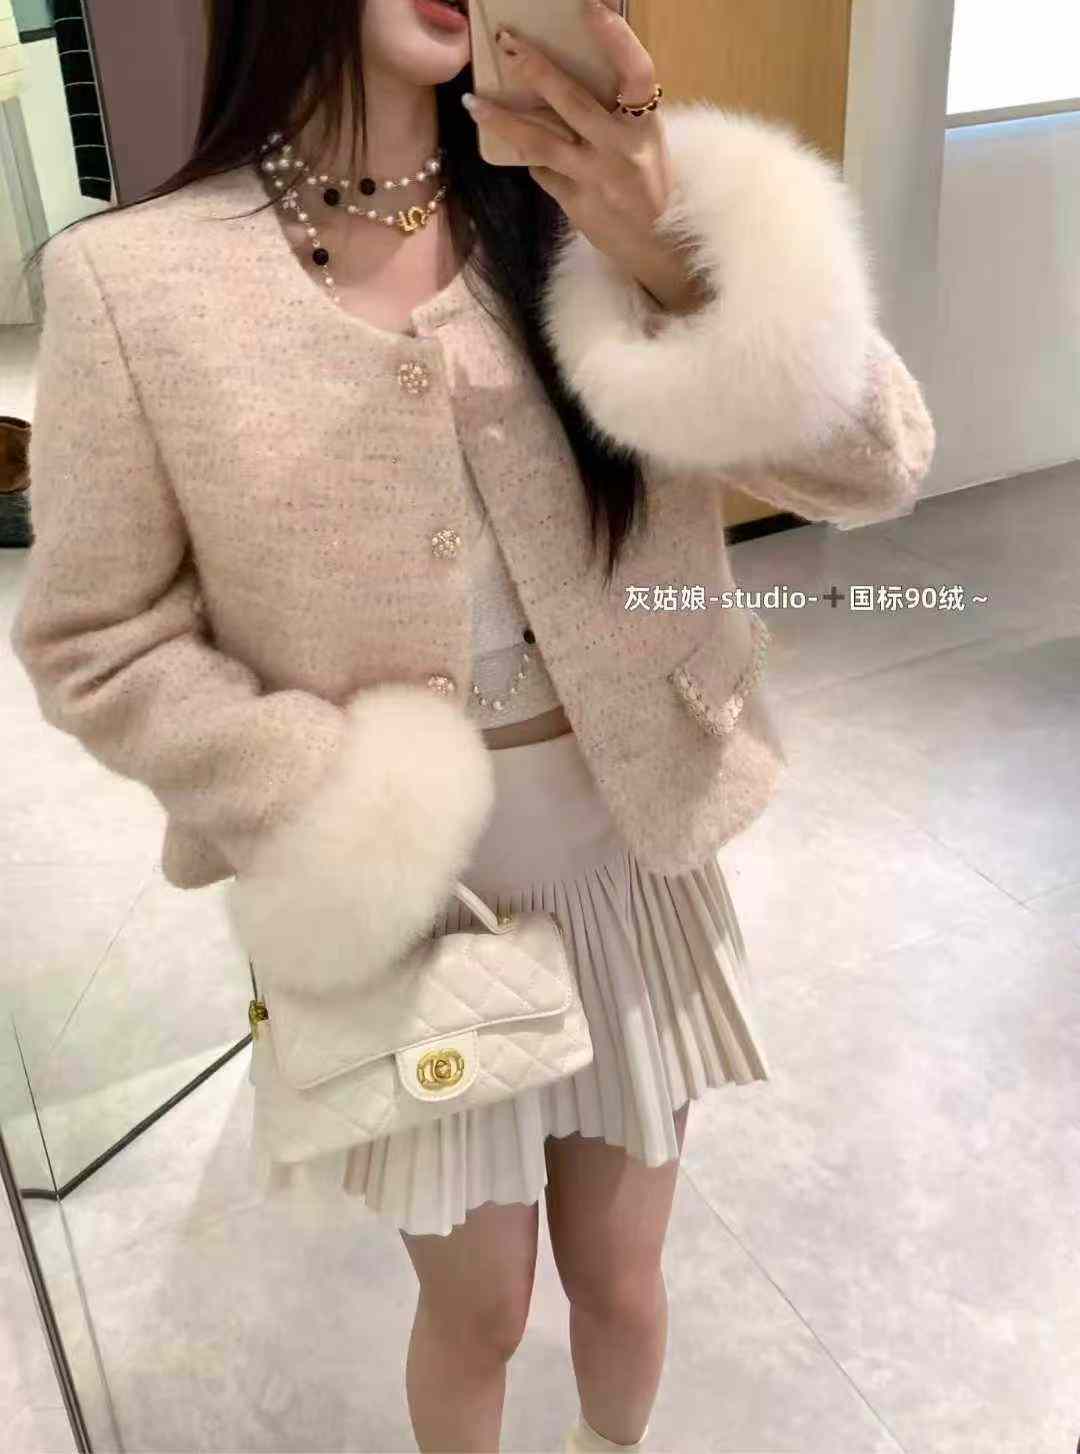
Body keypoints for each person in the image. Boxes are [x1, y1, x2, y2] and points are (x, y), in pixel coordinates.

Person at [10, 1, 935, 1450]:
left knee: (622, 1277)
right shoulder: (138, 286)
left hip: (628, 851)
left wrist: (671, 252)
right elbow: (94, 633)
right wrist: (320, 793)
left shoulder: (595, 208)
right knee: (479, 1310)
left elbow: (878, 465)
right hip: (408, 913)